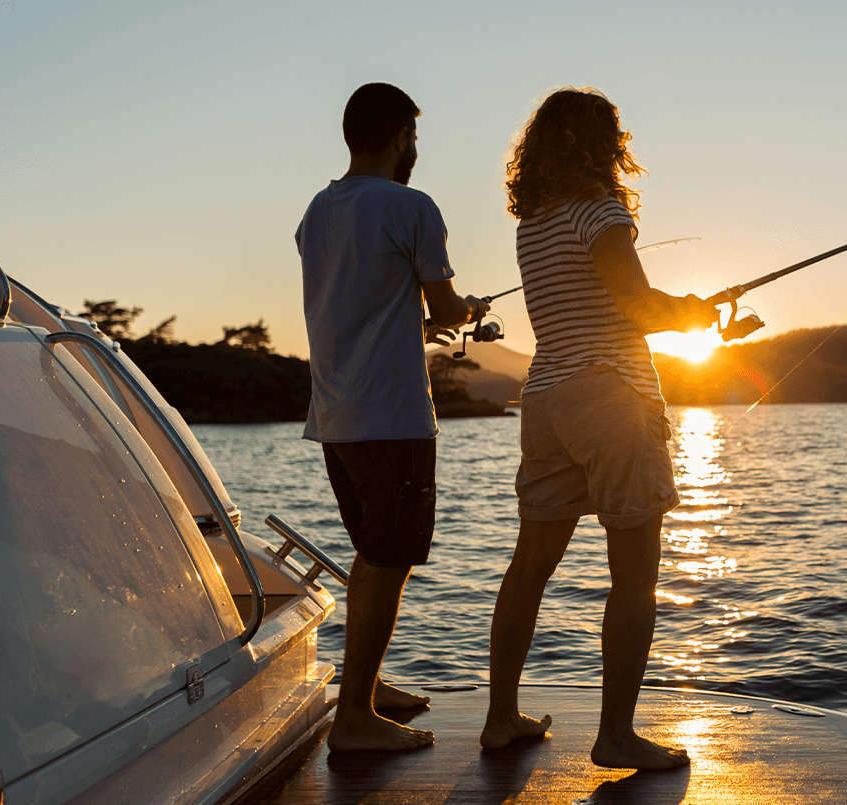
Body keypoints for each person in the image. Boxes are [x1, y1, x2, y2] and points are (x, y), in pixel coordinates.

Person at [480, 87, 717, 770]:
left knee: (530, 566)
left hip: (547, 398)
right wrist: (693, 312)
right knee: (635, 576)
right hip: (612, 397)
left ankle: (501, 717)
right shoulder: (600, 211)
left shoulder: (534, 225)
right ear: (604, 144)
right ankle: (615, 734)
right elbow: (636, 304)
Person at [296, 82, 488, 753]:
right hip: (393, 417)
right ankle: (352, 719)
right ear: (400, 134)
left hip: (337, 417)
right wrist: (464, 311)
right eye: (414, 135)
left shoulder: (317, 213)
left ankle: (365, 691)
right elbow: (446, 304)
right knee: (389, 556)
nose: (416, 148)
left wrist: (432, 318)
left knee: (373, 553)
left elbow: (369, 305)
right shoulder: (412, 208)